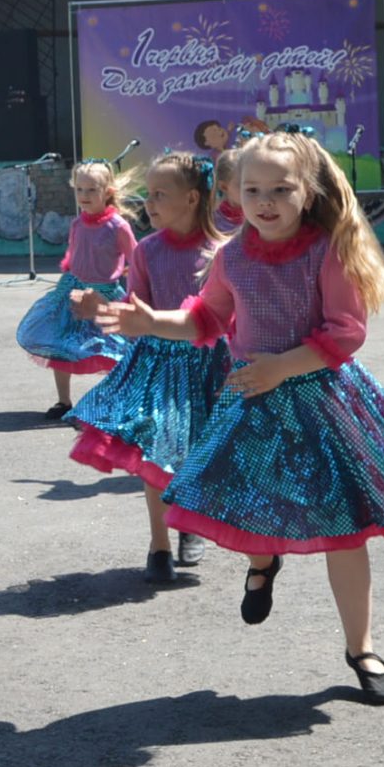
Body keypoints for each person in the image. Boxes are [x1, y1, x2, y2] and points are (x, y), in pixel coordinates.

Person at [97, 130, 384, 705]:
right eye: (253, 189)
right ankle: (263, 566)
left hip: (322, 401)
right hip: (253, 402)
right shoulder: (232, 256)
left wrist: (282, 367)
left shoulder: (326, 250)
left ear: (308, 192)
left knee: (345, 533)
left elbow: (345, 332)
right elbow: (205, 320)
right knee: (251, 514)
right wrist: (149, 321)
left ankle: (361, 647)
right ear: (235, 194)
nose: (266, 201)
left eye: (281, 189)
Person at [64, 153, 233, 585]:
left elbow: (232, 316)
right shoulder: (148, 251)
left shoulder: (222, 252)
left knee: (197, 454)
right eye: (148, 194)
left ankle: (189, 522)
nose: (149, 203)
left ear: (192, 198)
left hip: (210, 366)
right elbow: (134, 312)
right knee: (153, 454)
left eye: (160, 195)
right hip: (157, 367)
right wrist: (99, 309)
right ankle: (159, 546)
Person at [15, 160, 138, 419]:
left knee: (115, 349)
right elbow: (74, 255)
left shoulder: (118, 226)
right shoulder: (77, 224)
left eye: (92, 190)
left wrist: (131, 281)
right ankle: (64, 401)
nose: (84, 195)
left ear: (107, 192)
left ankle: (115, 402)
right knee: (60, 345)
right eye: (79, 189)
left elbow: (137, 259)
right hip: (72, 291)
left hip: (103, 295)